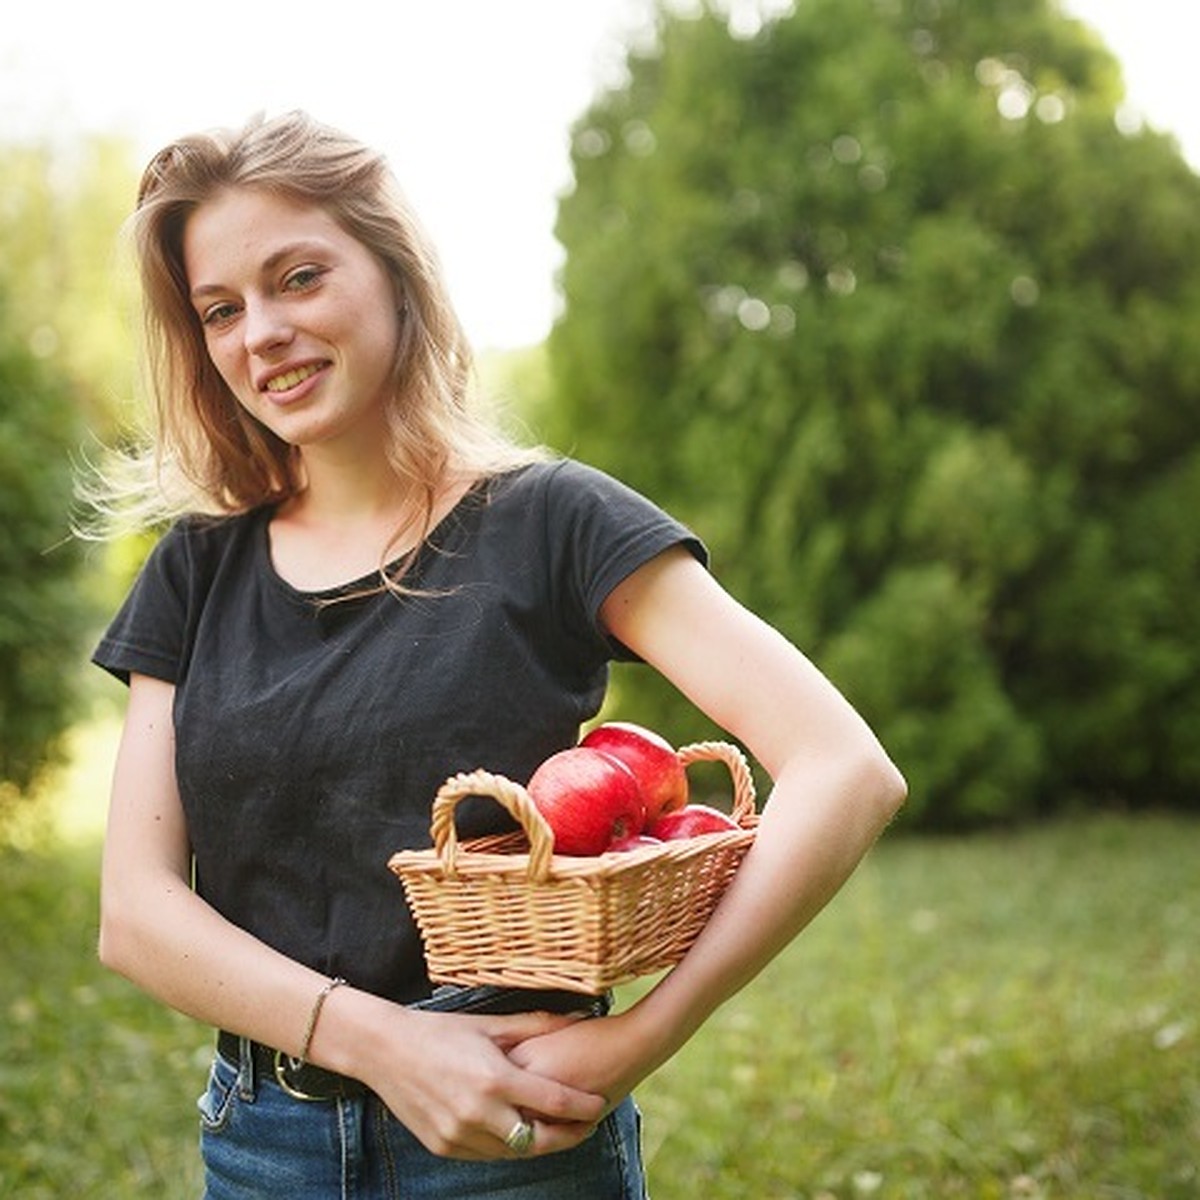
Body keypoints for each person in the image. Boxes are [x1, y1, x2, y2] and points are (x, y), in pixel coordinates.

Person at [90, 110, 906, 1199]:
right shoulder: (195, 569)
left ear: (393, 275)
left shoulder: (553, 522)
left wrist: (645, 1037)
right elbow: (137, 914)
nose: (261, 335)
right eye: (222, 311)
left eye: (298, 278)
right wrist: (379, 1044)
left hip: (512, 1142)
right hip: (261, 1142)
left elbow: (845, 770)